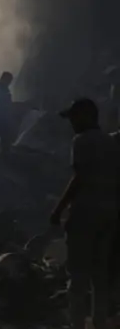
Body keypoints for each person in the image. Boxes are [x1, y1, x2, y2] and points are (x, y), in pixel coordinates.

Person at [50, 98, 119, 329]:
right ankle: (99, 323)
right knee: (100, 277)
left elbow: (79, 178)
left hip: (85, 215)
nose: (72, 123)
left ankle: (77, 324)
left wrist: (58, 209)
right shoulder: (111, 142)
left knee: (78, 277)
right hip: (109, 216)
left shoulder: (82, 140)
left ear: (86, 117)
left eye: (74, 118)